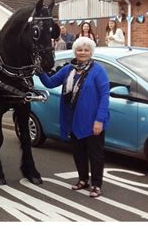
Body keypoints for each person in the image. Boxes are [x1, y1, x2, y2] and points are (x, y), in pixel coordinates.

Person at [38, 37, 109, 198]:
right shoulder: (68, 69)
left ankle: (96, 185)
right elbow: (50, 83)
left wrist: (100, 120)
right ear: (75, 51)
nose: (82, 53)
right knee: (78, 153)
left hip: (92, 121)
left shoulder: (98, 70)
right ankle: (83, 179)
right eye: (79, 50)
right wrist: (39, 71)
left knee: (95, 155)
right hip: (73, 120)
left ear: (91, 52)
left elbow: (105, 96)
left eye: (86, 50)